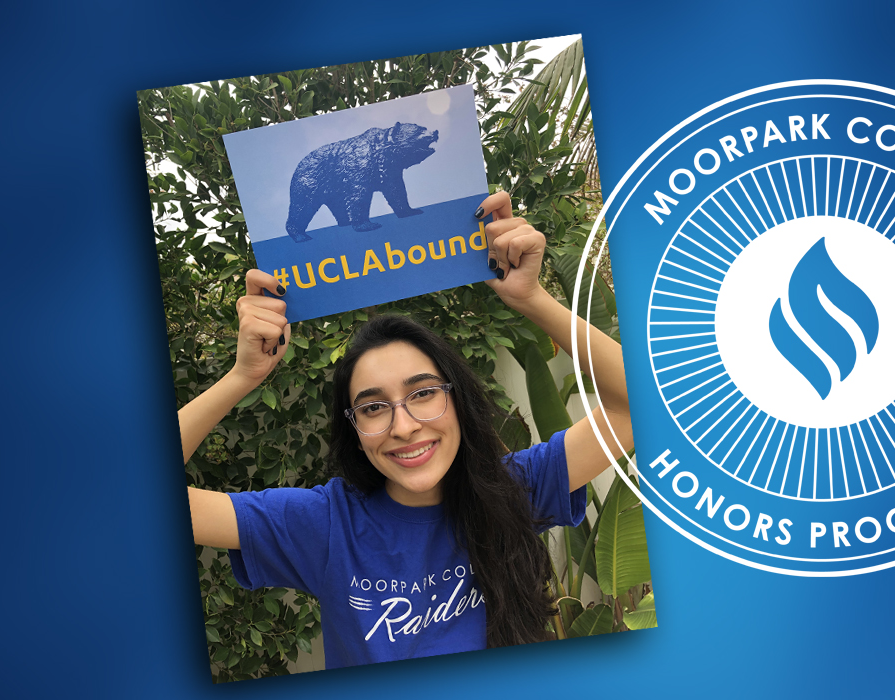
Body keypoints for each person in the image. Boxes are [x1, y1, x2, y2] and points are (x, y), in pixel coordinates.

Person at [178, 192, 633, 668]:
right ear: (354, 428)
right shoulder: (326, 524)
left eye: (422, 393)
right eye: (373, 407)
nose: (405, 427)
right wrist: (242, 378)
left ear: (457, 400)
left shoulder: (517, 486)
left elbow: (634, 407)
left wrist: (532, 299)